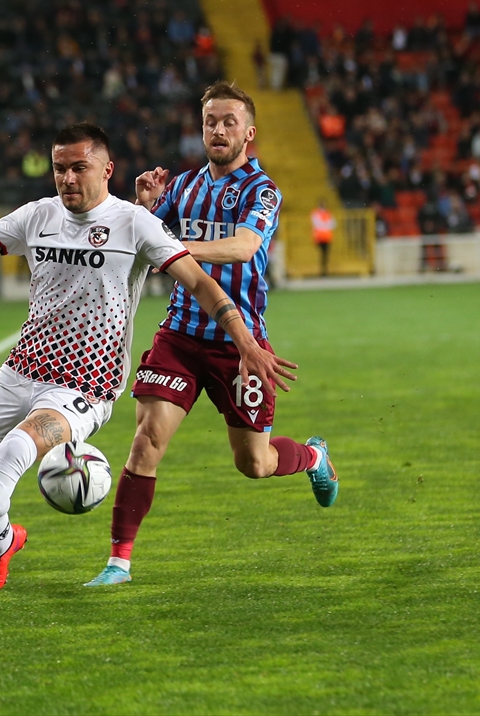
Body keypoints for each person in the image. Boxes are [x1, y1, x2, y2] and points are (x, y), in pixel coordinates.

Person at [0, 123, 294, 591]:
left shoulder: (135, 223)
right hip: (22, 368)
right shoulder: (38, 215)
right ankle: (2, 544)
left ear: (107, 169)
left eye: (80, 167)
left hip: (86, 382)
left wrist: (245, 341)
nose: (68, 178)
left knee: (15, 451)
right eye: (60, 168)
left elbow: (200, 282)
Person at [85, 82, 337, 588]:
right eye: (209, 122)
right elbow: (136, 244)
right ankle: (118, 563)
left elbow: (243, 247)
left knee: (254, 463)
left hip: (239, 344)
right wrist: (143, 208)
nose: (218, 130)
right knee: (146, 441)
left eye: (228, 122)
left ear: (248, 132)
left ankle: (313, 456)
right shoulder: (182, 186)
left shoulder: (262, 191)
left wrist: (174, 246)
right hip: (180, 335)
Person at [310, 199, 336, 276]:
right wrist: (325, 225)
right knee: (319, 254)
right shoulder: (316, 213)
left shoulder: (328, 213)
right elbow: (317, 223)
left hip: (327, 237)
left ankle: (325, 270)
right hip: (319, 236)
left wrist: (324, 225)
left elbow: (333, 224)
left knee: (325, 254)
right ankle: (320, 270)